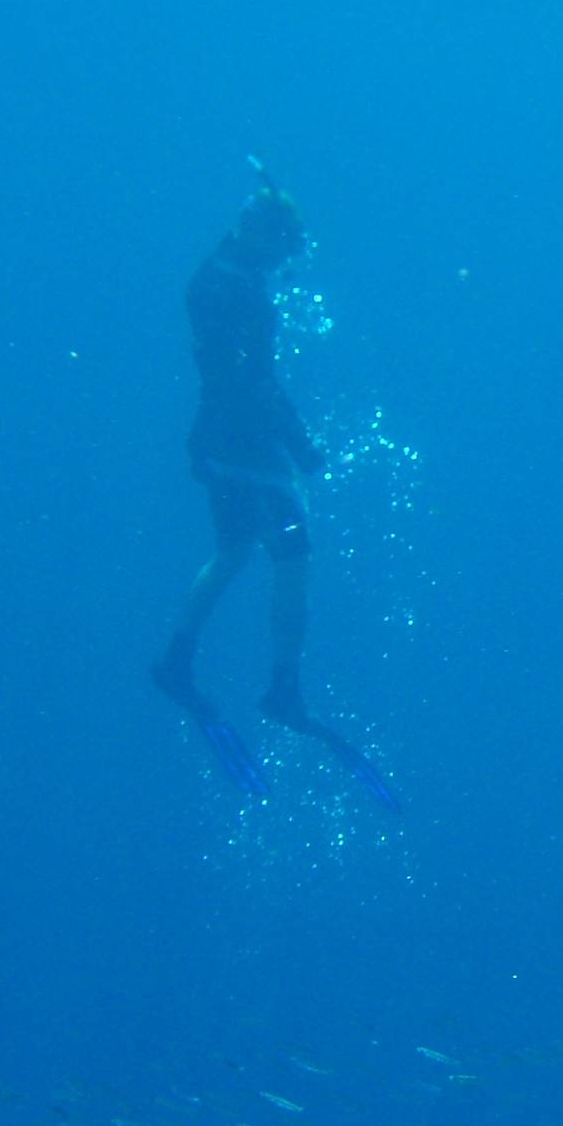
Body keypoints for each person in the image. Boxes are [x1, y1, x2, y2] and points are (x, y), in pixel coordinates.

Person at [151, 161, 324, 728]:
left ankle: (176, 660)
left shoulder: (217, 275)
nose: (283, 262)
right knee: (293, 557)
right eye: (282, 249)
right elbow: (255, 380)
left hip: (217, 440)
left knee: (234, 549)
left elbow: (231, 371)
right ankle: (283, 688)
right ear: (265, 238)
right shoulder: (239, 290)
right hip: (250, 446)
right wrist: (299, 443)